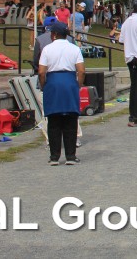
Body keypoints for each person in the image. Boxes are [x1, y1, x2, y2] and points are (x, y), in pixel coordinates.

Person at [38, 21, 84, 165]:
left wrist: (43, 85)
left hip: (53, 82)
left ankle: (54, 157)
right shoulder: (74, 48)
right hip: (69, 81)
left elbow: (41, 72)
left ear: (54, 34)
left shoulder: (47, 49)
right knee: (71, 120)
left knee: (53, 121)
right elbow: (81, 70)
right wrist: (78, 85)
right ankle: (70, 156)